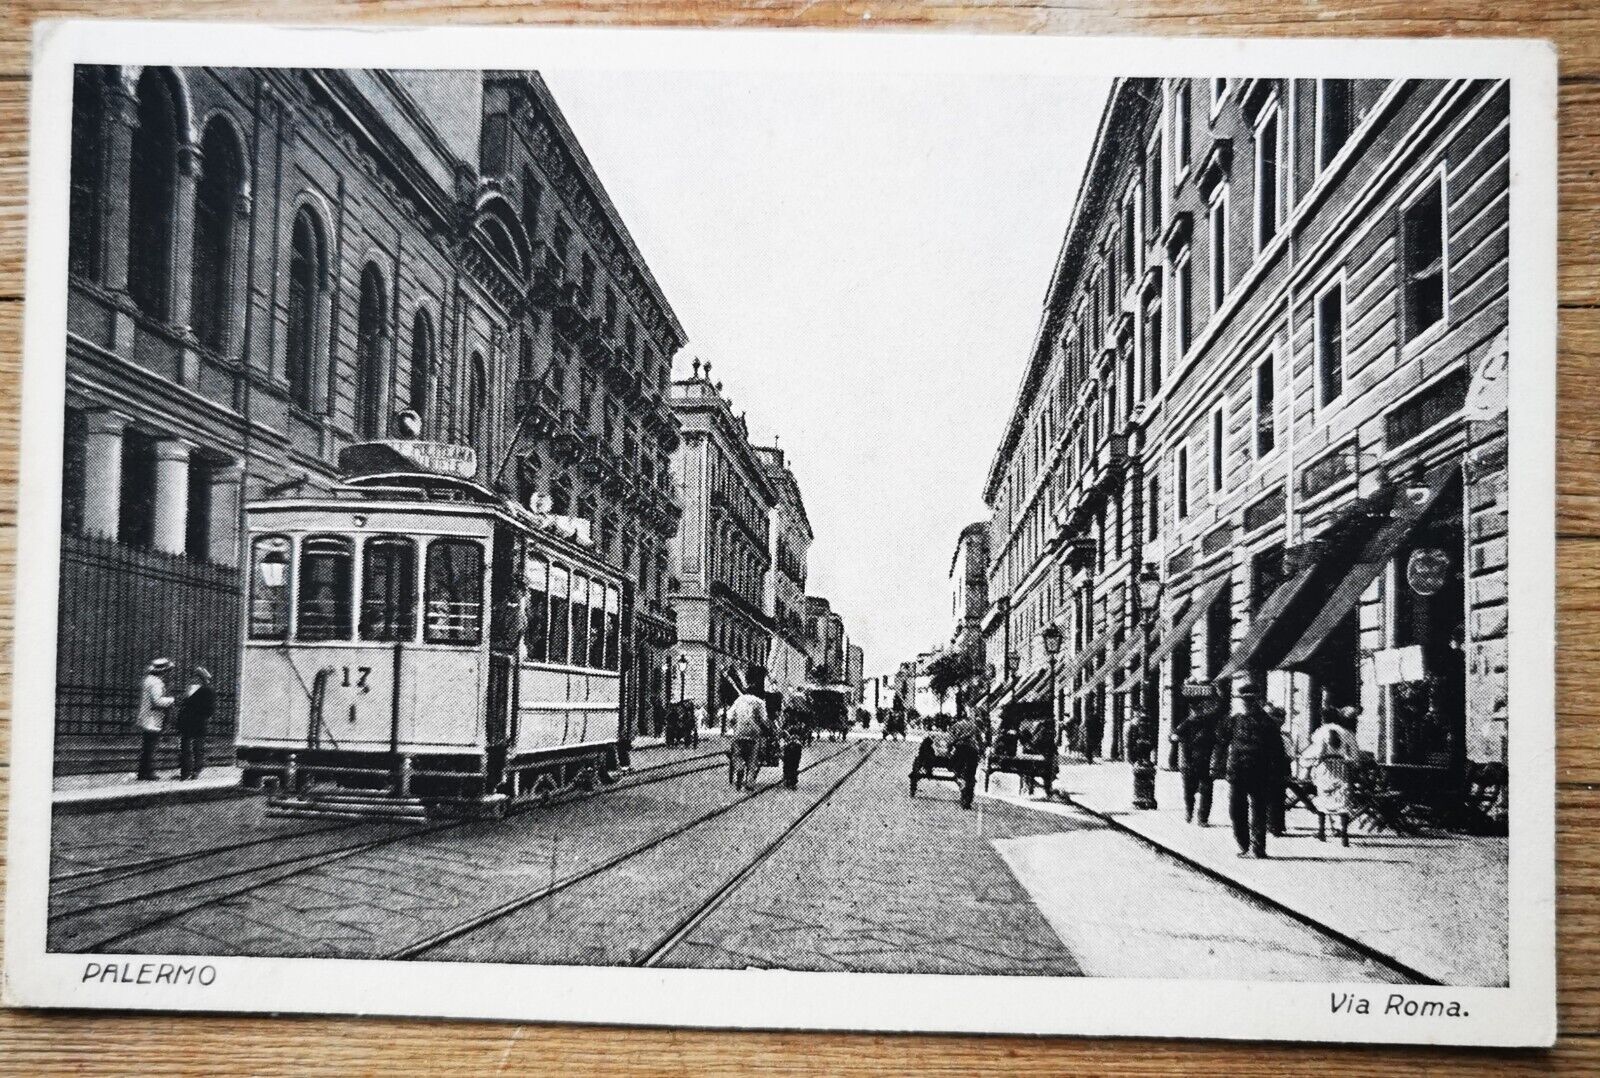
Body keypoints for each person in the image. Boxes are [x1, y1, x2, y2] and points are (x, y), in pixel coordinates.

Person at [1222, 677, 1286, 858]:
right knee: (1236, 810)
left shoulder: (1268, 723)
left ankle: (1257, 848)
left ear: (1257, 700)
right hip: (1237, 771)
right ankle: (1244, 845)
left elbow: (1277, 751)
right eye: (1244, 700)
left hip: (1260, 772)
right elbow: (1221, 741)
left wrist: (1277, 774)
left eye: (1251, 700)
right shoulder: (1234, 721)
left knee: (1258, 811)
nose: (1247, 703)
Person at [1300, 705, 1363, 845]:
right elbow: (1355, 756)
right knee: (1343, 801)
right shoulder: (1348, 733)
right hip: (1342, 769)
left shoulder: (1320, 732)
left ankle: (1322, 831)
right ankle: (1344, 835)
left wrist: (1308, 762)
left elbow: (1314, 753)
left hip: (1325, 769)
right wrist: (1352, 763)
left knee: (1323, 797)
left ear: (1322, 719)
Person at [1170, 701, 1220, 826]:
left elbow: (1217, 741)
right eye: (1195, 710)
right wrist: (1174, 737)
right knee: (1189, 791)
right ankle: (1189, 812)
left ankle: (1203, 818)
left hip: (1206, 763)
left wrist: (1215, 762)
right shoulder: (1187, 724)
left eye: (1200, 710)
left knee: (1206, 791)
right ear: (1191, 711)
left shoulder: (1208, 724)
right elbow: (1173, 735)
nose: (1197, 713)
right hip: (1189, 763)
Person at [727, 668, 773, 790]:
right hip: (753, 733)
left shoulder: (739, 700)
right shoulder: (759, 702)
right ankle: (750, 783)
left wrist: (734, 724)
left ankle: (740, 768)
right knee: (753, 758)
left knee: (736, 754)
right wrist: (766, 728)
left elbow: (730, 716)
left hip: (739, 731)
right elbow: (764, 720)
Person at [135, 658, 175, 781]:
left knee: (146, 746)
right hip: (153, 719)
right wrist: (170, 700)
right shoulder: (156, 683)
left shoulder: (148, 680)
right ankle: (149, 773)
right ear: (162, 671)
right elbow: (157, 701)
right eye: (167, 671)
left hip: (146, 718)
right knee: (151, 747)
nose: (168, 673)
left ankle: (142, 772)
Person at [175, 666, 215, 781]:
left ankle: (185, 772)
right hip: (200, 722)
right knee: (198, 747)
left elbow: (184, 703)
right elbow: (210, 710)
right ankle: (196, 770)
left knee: (186, 747)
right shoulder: (210, 690)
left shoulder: (190, 689)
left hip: (187, 722)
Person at [946, 710, 985, 809]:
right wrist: (981, 753)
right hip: (973, 751)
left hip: (961, 749)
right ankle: (968, 800)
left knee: (954, 768)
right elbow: (980, 742)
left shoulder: (955, 726)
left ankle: (960, 782)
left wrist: (948, 751)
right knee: (971, 775)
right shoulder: (975, 727)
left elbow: (950, 741)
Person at [780, 700, 808, 789]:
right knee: (794, 763)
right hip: (797, 745)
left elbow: (782, 733)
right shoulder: (800, 724)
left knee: (787, 762)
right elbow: (803, 734)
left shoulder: (786, 724)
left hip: (789, 745)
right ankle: (792, 779)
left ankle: (788, 778)